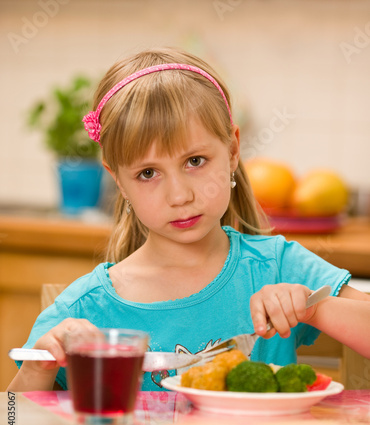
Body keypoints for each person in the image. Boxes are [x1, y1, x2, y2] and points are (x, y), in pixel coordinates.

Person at [8, 47, 370, 393]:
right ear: (118, 180)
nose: (179, 196)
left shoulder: (276, 266)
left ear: (231, 151)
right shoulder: (84, 310)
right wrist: (40, 366)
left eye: (195, 161)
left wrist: (315, 307)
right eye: (148, 173)